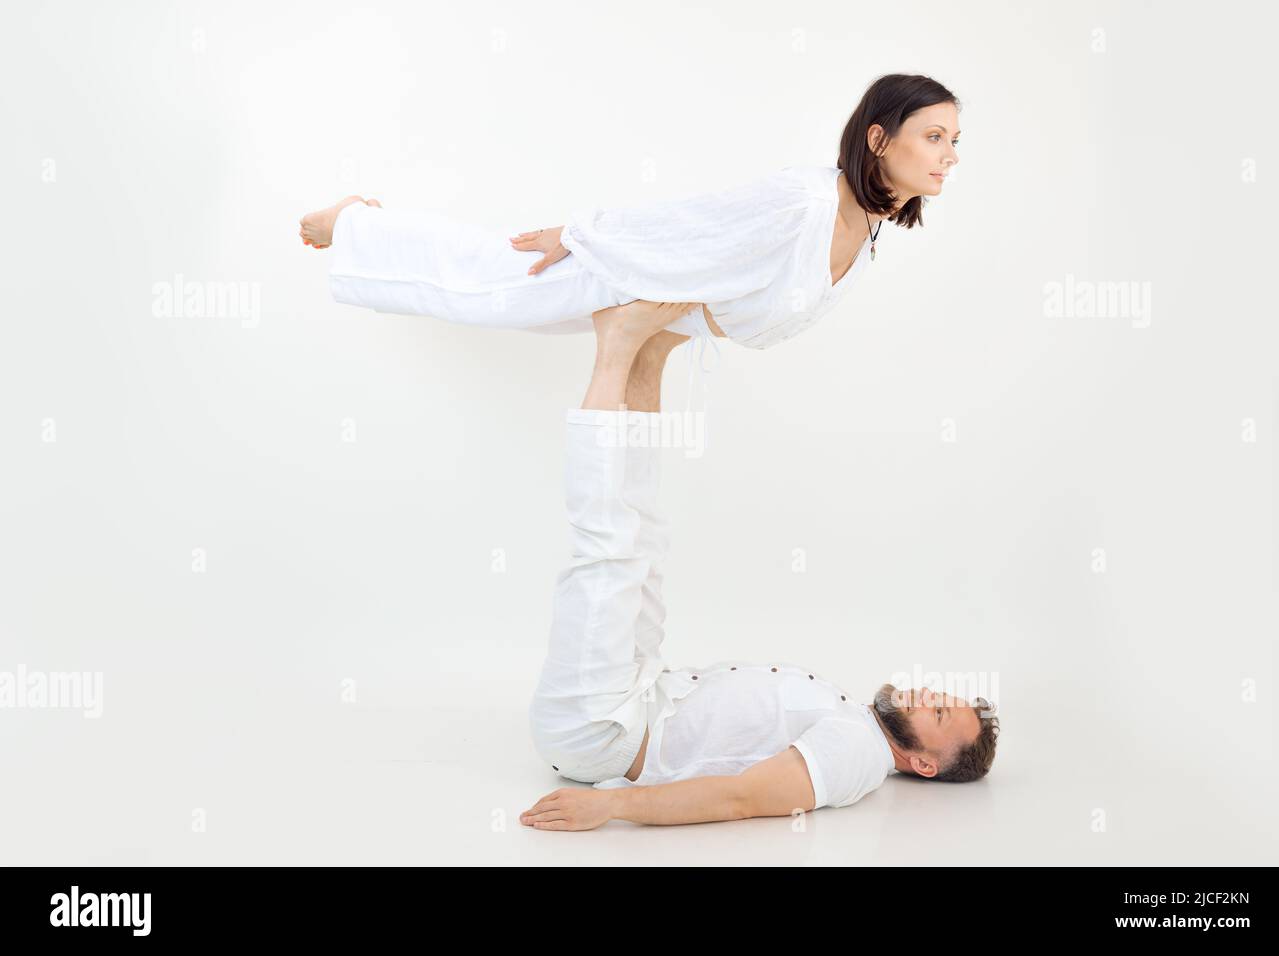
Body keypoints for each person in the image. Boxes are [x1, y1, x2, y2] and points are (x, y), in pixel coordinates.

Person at [518, 298, 999, 831]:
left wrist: (609, 807)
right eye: (939, 695)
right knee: (644, 534)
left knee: (607, 546)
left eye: (936, 713)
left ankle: (614, 347)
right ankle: (650, 353)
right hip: (642, 692)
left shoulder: (855, 756)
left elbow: (739, 799)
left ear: (924, 764)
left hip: (598, 730)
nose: (927, 694)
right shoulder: (854, 720)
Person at [296, 73, 962, 413]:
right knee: (476, 281)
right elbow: (692, 221)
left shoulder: (868, 230)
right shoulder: (806, 201)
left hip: (658, 299)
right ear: (879, 137)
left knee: (474, 283)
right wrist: (579, 234)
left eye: (954, 141)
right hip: (623, 270)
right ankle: (348, 221)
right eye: (933, 137)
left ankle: (358, 226)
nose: (948, 156)